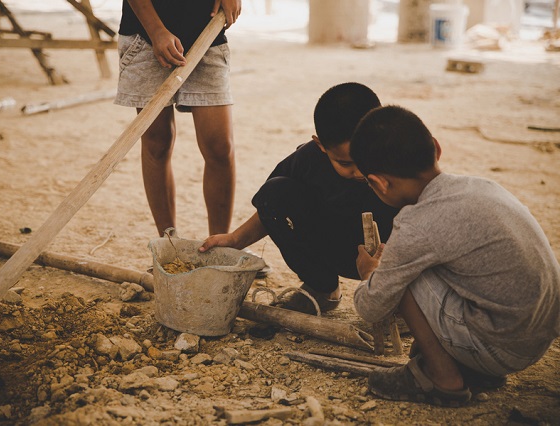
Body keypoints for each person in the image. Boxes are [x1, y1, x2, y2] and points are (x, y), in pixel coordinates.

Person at [351, 105, 560, 407]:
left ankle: (444, 379)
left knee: (405, 279)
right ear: (436, 147)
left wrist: (371, 273)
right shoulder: (481, 186)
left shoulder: (417, 224)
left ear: (380, 182)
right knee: (410, 267)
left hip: (503, 348)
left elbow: (370, 306)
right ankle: (470, 367)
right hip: (536, 336)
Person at [200, 82, 399, 313]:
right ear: (321, 145)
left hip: (392, 259)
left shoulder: (399, 161)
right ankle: (322, 289)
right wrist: (235, 240)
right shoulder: (308, 159)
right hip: (341, 250)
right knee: (273, 192)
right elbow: (271, 204)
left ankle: (400, 299)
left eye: (365, 158)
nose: (358, 172)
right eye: (345, 163)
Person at [116, 0, 242, 236]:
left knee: (220, 146)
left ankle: (220, 245)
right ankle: (169, 243)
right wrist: (156, 31)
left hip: (207, 30)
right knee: (157, 143)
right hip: (145, 33)